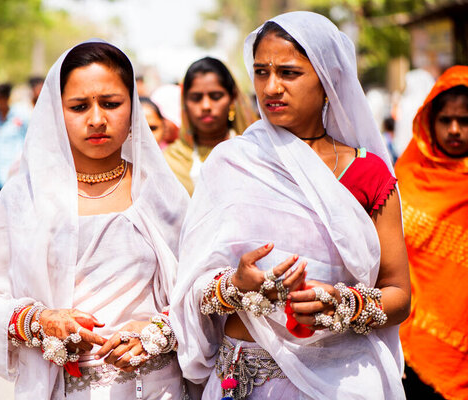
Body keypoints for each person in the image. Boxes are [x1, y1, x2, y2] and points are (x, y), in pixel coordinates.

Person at [170, 12, 410, 399]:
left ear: (329, 81)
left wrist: (341, 301)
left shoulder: (368, 173)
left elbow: (398, 294)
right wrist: (236, 285)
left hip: (342, 381)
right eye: (261, 72)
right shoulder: (232, 162)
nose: (271, 87)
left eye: (289, 73)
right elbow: (191, 288)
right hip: (244, 379)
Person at [0, 41, 190, 399]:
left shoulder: (161, 194)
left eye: (110, 103)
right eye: (78, 107)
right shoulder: (25, 198)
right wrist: (38, 321)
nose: (96, 119)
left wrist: (157, 331)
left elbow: (199, 294)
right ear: (56, 114)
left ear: (133, 108)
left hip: (157, 388)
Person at [396, 65, 468, 400]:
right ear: (429, 121)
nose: (455, 130)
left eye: (465, 121)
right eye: (445, 120)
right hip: (410, 345)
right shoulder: (407, 177)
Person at [163, 57, 256, 195]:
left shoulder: (252, 153)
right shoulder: (170, 161)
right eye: (196, 98)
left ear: (232, 98)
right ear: (185, 102)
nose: (206, 106)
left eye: (216, 96)